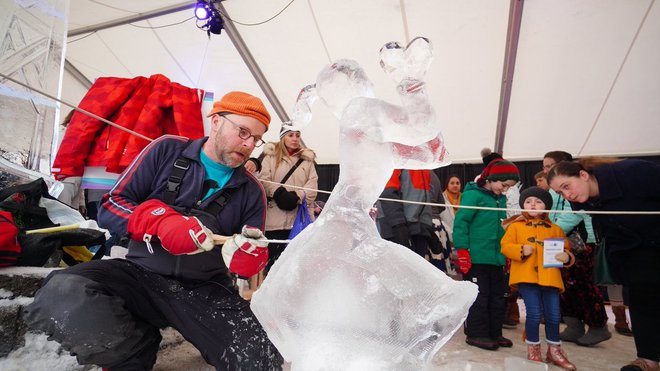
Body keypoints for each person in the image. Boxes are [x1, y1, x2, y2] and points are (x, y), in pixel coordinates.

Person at [24, 91, 283, 370]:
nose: (248, 145)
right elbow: (112, 204)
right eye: (243, 132)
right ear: (217, 121)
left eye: (256, 139)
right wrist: (159, 222)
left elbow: (251, 259)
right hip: (139, 274)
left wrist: (249, 258)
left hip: (205, 288)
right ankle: (135, 350)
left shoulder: (251, 190)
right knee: (64, 289)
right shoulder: (167, 150)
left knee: (260, 358)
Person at [547, 158, 660, 371]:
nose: (567, 195)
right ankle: (648, 359)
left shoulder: (633, 172)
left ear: (583, 175)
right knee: (642, 302)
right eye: (560, 193)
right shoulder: (580, 201)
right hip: (634, 254)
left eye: (566, 186)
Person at [501, 186, 576, 370]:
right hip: (526, 277)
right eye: (528, 201)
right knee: (533, 314)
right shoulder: (515, 227)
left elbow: (566, 249)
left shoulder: (555, 229)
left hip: (550, 277)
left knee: (553, 315)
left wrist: (567, 257)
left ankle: (554, 350)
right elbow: (505, 246)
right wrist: (520, 250)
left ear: (547, 206)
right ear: (522, 205)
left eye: (538, 201)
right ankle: (533, 349)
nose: (533, 205)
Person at [543, 151, 611, 346]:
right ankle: (574, 325)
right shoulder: (553, 191)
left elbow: (572, 216)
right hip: (556, 241)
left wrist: (548, 232)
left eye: (549, 166)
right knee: (563, 286)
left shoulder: (577, 192)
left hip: (581, 243)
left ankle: (598, 326)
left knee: (585, 286)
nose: (545, 170)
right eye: (544, 166)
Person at [453, 158, 520, 350]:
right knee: (479, 297)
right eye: (504, 185)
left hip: (495, 257)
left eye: (509, 187)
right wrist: (462, 250)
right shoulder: (473, 195)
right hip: (476, 257)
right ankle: (476, 333)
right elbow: (461, 223)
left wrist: (504, 253)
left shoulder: (500, 198)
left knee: (497, 296)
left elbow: (500, 228)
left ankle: (494, 332)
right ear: (491, 178)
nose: (505, 189)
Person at [258, 125, 318, 271]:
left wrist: (297, 196)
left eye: (297, 135)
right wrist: (278, 192)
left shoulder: (308, 161)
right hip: (275, 222)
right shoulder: (269, 158)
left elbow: (313, 186)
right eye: (290, 135)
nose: (295, 139)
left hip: (299, 219)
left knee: (296, 267)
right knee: (274, 267)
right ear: (283, 137)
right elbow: (263, 180)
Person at [378, 169, 443, 259]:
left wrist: (427, 227)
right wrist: (398, 225)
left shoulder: (423, 167)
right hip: (396, 229)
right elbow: (387, 194)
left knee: (417, 270)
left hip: (418, 229)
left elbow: (422, 200)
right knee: (400, 270)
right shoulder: (398, 160)